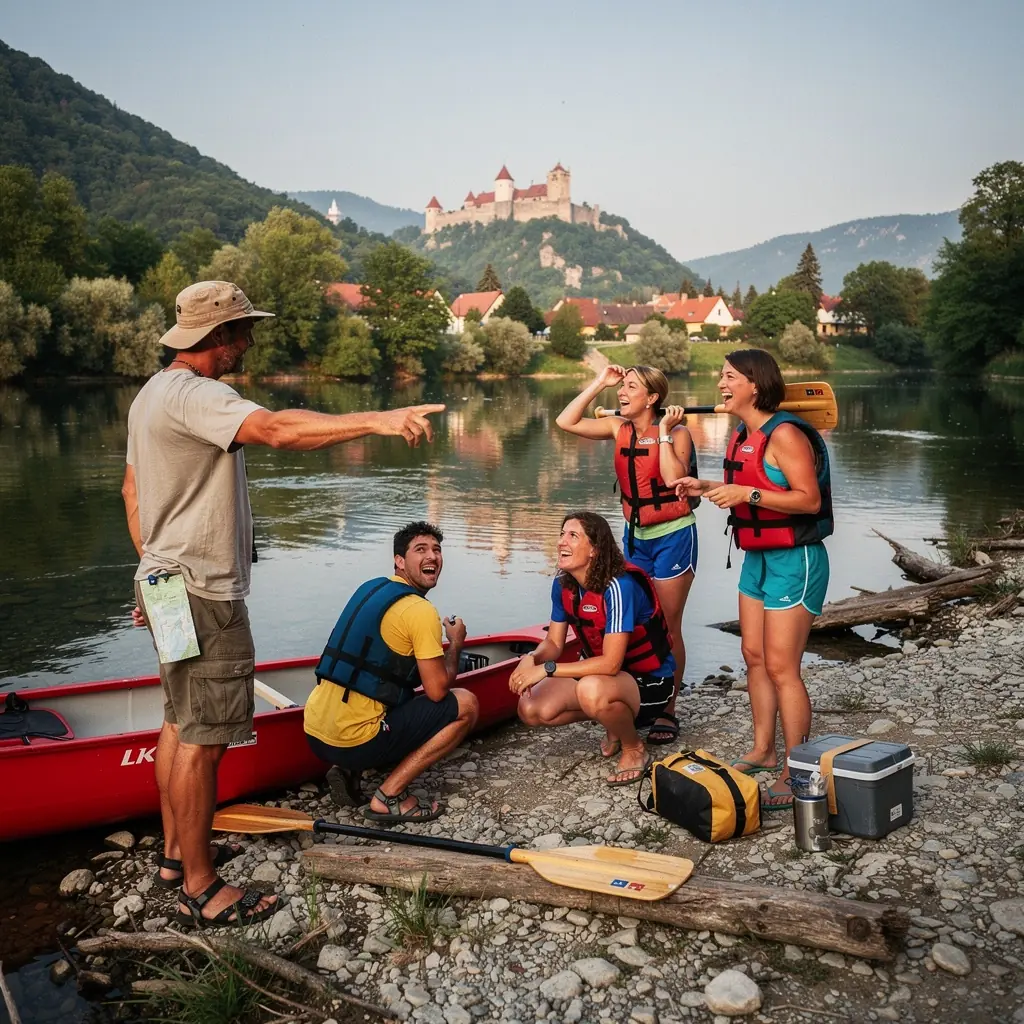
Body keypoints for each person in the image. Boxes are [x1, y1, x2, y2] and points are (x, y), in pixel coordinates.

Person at [123, 281, 445, 929]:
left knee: (178, 722)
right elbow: (274, 429)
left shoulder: (150, 395)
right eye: (242, 332)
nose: (247, 343)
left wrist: (151, 571)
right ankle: (200, 884)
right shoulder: (200, 395)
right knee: (203, 738)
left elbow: (133, 490)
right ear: (216, 336)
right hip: (204, 592)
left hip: (164, 583)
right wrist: (378, 420)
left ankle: (172, 856)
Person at [669, 349, 832, 812]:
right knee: (754, 656)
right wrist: (703, 487)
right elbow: (745, 490)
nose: (720, 382)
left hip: (795, 560)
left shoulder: (783, 434)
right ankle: (763, 749)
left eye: (729, 376)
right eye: (721, 375)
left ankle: (797, 770)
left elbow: (809, 500)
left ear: (754, 385)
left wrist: (749, 492)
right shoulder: (743, 433)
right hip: (757, 558)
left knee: (783, 667)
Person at [555, 364, 698, 747]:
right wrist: (599, 382)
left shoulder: (679, 433)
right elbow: (565, 421)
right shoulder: (616, 428)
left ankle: (667, 708)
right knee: (634, 621)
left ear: (651, 398)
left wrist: (664, 433)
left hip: (672, 535)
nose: (622, 392)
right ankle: (631, 702)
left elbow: (672, 480)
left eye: (630, 387)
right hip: (634, 534)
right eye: (622, 386)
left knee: (666, 623)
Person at [304, 522, 478, 822]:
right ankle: (389, 796)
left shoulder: (370, 587)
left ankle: (346, 772)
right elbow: (438, 691)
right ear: (399, 560)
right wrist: (455, 645)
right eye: (420, 550)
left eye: (437, 550)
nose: (432, 557)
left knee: (381, 687)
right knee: (466, 704)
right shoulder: (421, 612)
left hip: (314, 731)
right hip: (354, 741)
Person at [510, 511, 676, 786]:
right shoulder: (564, 585)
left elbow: (611, 663)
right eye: (562, 534)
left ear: (594, 550)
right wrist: (532, 658)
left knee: (590, 690)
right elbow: (553, 643)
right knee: (531, 708)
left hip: (649, 684)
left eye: (573, 536)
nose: (562, 541)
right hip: (604, 679)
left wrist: (547, 669)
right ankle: (613, 722)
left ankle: (634, 748)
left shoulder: (618, 587)